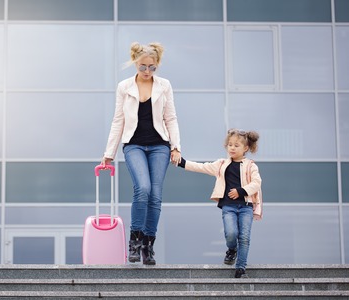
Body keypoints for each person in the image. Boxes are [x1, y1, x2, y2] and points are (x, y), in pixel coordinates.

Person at [101, 42, 181, 265]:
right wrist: (109, 152)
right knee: (143, 188)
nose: (147, 72)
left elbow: (170, 118)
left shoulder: (164, 85)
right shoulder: (124, 86)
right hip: (134, 144)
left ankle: (148, 244)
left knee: (155, 195)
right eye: (143, 67)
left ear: (157, 65)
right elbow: (118, 120)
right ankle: (135, 241)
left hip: (159, 146)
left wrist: (175, 147)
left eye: (152, 67)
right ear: (135, 62)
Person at [176, 129, 262, 278]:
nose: (232, 148)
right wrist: (181, 162)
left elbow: (257, 183)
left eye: (236, 145)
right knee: (231, 233)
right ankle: (232, 249)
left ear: (246, 148)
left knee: (245, 237)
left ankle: (241, 268)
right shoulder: (222, 164)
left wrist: (241, 191)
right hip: (228, 207)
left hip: (246, 207)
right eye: (230, 145)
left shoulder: (250, 166)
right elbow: (202, 167)